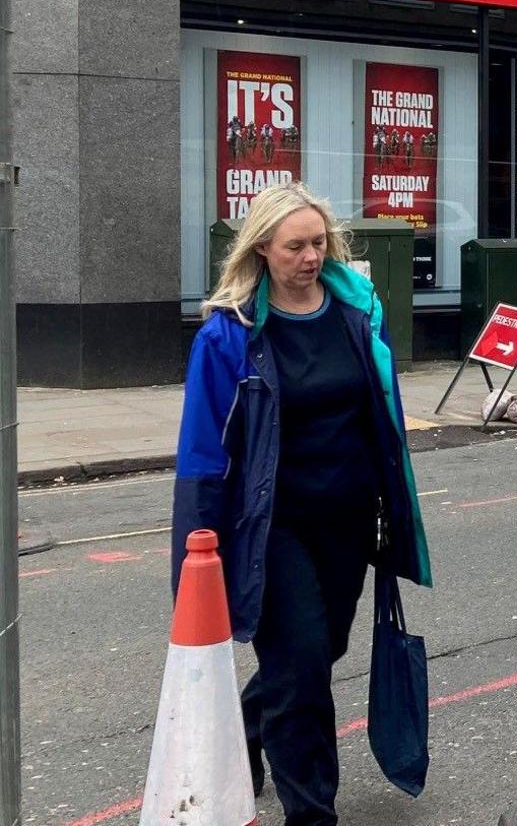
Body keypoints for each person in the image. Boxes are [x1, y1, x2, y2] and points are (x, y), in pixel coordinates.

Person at [173, 181, 432, 826]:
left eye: (318, 243)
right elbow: (203, 451)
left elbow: (383, 416)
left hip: (347, 519)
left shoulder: (357, 310)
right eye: (295, 246)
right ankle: (312, 814)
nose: (310, 257)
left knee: (320, 654)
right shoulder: (228, 335)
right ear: (263, 248)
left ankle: (251, 721)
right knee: (303, 674)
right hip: (271, 528)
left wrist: (394, 509)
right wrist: (195, 554)